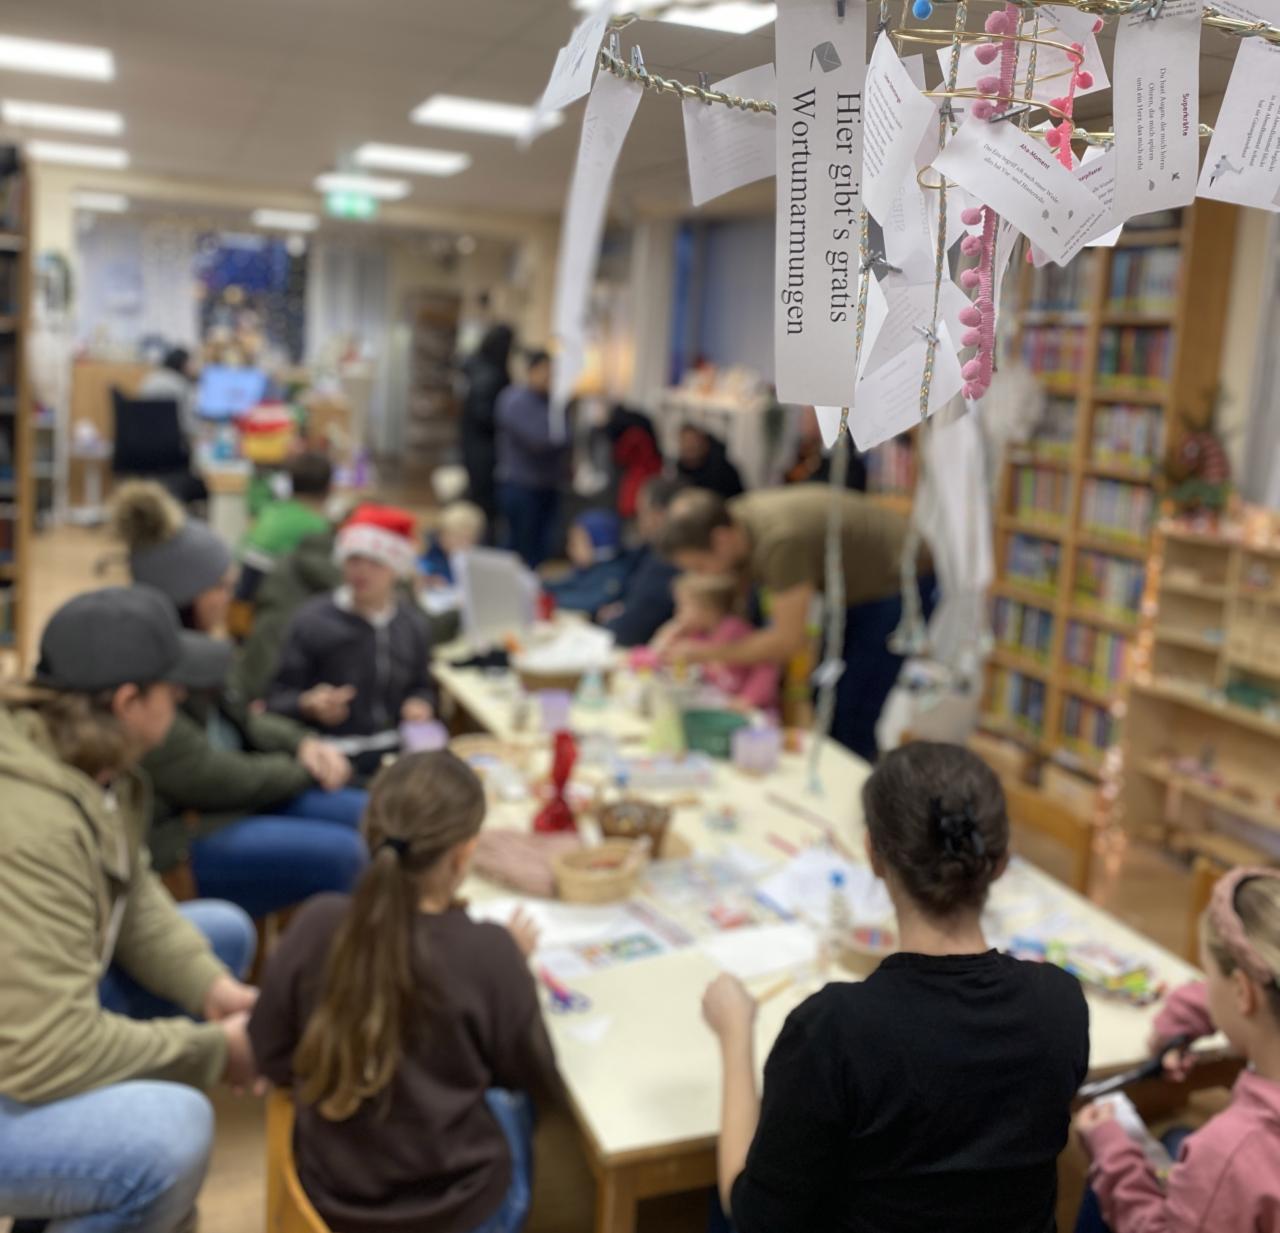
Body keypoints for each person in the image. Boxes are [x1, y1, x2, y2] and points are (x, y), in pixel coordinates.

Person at [702, 742, 1089, 1233]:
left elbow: (753, 1217)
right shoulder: (1060, 1004)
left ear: (873, 855)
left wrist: (735, 1035)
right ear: (1001, 863)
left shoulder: (833, 1030)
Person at [0, 586, 259, 1232]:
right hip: (26, 1054)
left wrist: (213, 990)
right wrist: (215, 1050)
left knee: (219, 935)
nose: (181, 701)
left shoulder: (77, 761)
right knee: (171, 1140)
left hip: (24, 1029)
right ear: (126, 702)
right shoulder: (34, 826)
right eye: (172, 691)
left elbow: (133, 894)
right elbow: (45, 1050)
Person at [248, 751, 563, 1233]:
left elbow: (270, 1053)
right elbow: (536, 1079)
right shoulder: (487, 953)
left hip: (329, 1200)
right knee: (517, 1110)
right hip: (456, 1211)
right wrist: (510, 973)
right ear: (463, 855)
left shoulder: (316, 923)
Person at [111, 481, 368, 918]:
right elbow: (209, 776)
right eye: (220, 587)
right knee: (347, 855)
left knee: (369, 814)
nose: (231, 598)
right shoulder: (145, 677)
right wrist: (304, 769)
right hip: (187, 835)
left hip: (232, 801)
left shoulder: (198, 650)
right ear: (185, 597)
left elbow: (243, 719)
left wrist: (303, 743)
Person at [656, 485, 932, 762]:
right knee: (825, 697)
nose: (703, 576)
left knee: (852, 707)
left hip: (900, 578)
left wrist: (703, 653)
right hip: (862, 582)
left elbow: (787, 641)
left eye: (701, 566)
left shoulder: (779, 542)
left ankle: (857, 778)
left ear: (721, 539)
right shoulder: (736, 523)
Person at [1073, 866, 1280, 1233]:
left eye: (1208, 974)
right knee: (1175, 1138)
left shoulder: (1229, 1154)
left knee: (1110, 1181)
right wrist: (1179, 1029)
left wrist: (1112, 1155)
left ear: (1242, 991)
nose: (1205, 986)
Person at [266, 503, 435, 773]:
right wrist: (308, 704)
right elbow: (275, 699)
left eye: (376, 562)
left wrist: (419, 703)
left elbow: (422, 685)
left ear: (396, 568)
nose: (362, 571)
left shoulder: (411, 624)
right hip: (329, 754)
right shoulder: (312, 620)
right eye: (354, 559)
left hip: (397, 751)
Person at [652, 575, 779, 712]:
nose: (677, 611)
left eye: (683, 605)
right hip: (720, 700)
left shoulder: (735, 629)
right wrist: (673, 630)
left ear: (708, 609)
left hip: (752, 708)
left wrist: (748, 698)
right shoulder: (698, 634)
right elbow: (661, 656)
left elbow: (766, 664)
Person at [495, 349, 570, 569]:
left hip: (549, 483)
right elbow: (537, 441)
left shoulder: (555, 402)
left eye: (553, 372)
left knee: (542, 547)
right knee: (518, 546)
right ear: (531, 371)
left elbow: (568, 436)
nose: (549, 377)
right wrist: (557, 440)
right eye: (545, 371)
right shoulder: (513, 400)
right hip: (520, 483)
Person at [238, 450, 334, 600]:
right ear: (329, 489)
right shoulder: (317, 527)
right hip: (271, 597)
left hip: (243, 590)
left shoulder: (270, 510)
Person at [600, 475, 682, 647]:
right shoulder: (648, 552)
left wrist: (614, 619)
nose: (638, 520)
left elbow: (628, 631)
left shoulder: (665, 562)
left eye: (641, 512)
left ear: (658, 515)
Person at [461, 324, 514, 535]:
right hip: (483, 446)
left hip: (475, 443)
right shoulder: (490, 373)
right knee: (483, 500)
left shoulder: (479, 367)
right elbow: (482, 413)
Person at [545, 509, 632, 615]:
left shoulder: (614, 573)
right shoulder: (586, 569)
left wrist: (547, 598)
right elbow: (567, 584)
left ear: (600, 545)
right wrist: (540, 586)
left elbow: (589, 602)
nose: (569, 549)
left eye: (575, 544)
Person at [420, 500, 487, 588]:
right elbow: (422, 569)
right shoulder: (432, 557)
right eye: (455, 536)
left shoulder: (478, 563)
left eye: (466, 538)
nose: (461, 543)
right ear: (441, 536)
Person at [139, 345, 199, 443]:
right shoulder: (181, 385)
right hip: (172, 443)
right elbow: (189, 426)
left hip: (143, 439)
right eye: (192, 363)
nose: (195, 367)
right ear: (184, 364)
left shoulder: (151, 378)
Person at [675, 425, 744, 501]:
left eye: (693, 441)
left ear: (705, 444)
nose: (689, 445)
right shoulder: (676, 472)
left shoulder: (723, 470)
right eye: (685, 441)